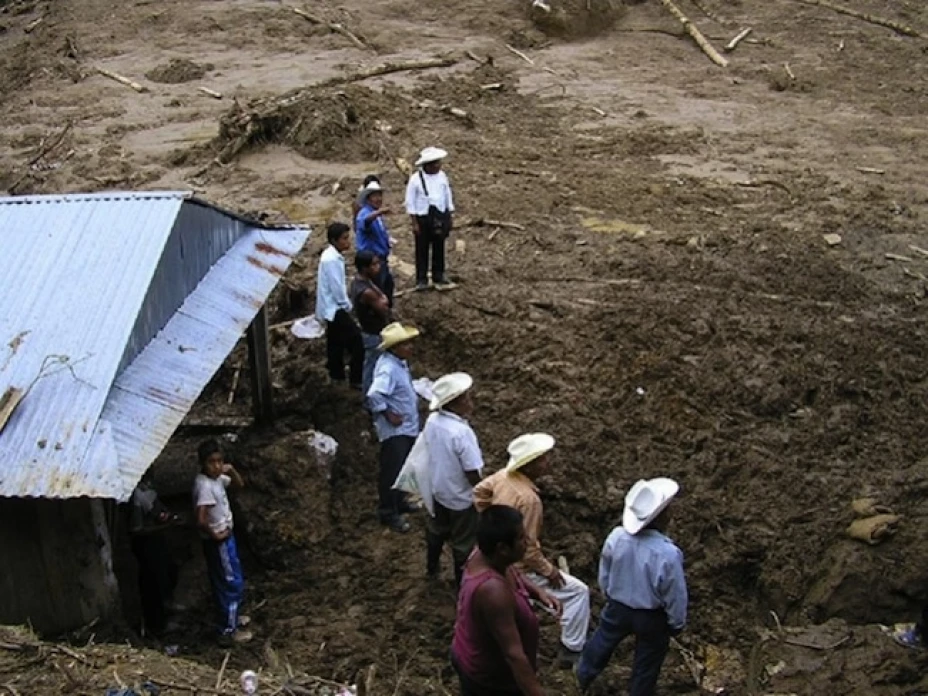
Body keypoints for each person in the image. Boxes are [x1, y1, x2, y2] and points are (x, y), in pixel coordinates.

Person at [474, 433, 591, 665]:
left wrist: (492, 521)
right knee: (578, 593)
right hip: (518, 568)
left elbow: (479, 493)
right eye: (543, 459)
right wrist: (550, 571)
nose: (548, 462)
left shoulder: (502, 477)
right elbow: (528, 549)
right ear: (529, 465)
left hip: (498, 555)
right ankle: (572, 648)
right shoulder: (529, 500)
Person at [576, 477, 687, 696]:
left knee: (601, 642)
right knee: (647, 662)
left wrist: (608, 592)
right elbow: (674, 593)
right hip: (652, 616)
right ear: (663, 516)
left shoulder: (617, 537)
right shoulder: (667, 553)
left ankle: (580, 678)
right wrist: (676, 621)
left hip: (618, 606)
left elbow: (605, 570)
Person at [451, 505, 561, 696]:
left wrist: (537, 592)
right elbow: (514, 655)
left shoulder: (487, 554)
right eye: (520, 538)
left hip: (471, 652)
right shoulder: (493, 592)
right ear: (502, 548)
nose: (526, 541)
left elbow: (511, 570)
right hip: (490, 682)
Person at [423, 372, 483, 585]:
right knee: (463, 543)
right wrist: (484, 492)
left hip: (438, 488)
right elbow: (471, 471)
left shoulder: (433, 421)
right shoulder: (461, 432)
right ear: (454, 404)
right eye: (466, 398)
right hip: (460, 496)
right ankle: (461, 585)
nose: (470, 402)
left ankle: (431, 568)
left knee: (436, 530)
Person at [193, 439, 253, 643]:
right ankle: (228, 630)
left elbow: (239, 485)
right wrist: (214, 534)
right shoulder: (205, 486)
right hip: (219, 541)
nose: (217, 466)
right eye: (212, 462)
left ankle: (232, 618)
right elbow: (201, 518)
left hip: (226, 537)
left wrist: (231, 470)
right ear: (203, 463)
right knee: (231, 582)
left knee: (226, 579)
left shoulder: (217, 479)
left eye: (220, 461)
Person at [366, 322, 421, 533]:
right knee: (392, 470)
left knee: (403, 467)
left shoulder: (398, 363)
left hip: (406, 427)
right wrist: (388, 413)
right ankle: (388, 511)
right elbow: (374, 394)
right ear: (395, 347)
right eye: (406, 344)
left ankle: (399, 501)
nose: (411, 347)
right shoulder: (388, 369)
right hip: (395, 431)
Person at [128, 472, 180, 637]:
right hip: (146, 544)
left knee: (170, 570)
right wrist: (163, 526)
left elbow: (159, 508)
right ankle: (157, 625)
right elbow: (136, 529)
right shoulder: (136, 496)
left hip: (157, 540)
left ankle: (167, 604)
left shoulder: (148, 489)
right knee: (152, 583)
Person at [316, 221, 363, 388]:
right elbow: (337, 287)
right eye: (344, 239)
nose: (347, 242)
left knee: (335, 341)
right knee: (357, 341)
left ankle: (336, 374)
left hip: (328, 308)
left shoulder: (331, 256)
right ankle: (356, 379)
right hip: (334, 307)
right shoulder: (332, 260)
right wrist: (347, 306)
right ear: (334, 241)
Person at [404, 146, 454, 290]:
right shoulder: (415, 180)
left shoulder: (442, 176)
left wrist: (449, 215)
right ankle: (422, 279)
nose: (438, 166)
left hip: (439, 215)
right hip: (423, 217)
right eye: (434, 163)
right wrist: (414, 223)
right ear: (427, 165)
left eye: (439, 163)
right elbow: (410, 201)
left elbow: (447, 195)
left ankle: (439, 274)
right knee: (422, 249)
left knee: (439, 246)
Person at [350, 250, 392, 396]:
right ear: (364, 268)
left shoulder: (360, 282)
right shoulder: (367, 291)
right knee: (373, 367)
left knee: (372, 365)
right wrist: (383, 298)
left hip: (369, 331)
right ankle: (370, 399)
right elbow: (384, 309)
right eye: (374, 264)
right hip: (374, 334)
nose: (378, 266)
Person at [354, 179, 396, 306]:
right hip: (372, 261)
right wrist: (379, 212)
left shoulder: (377, 216)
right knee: (377, 289)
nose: (378, 199)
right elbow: (365, 222)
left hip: (381, 258)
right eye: (375, 196)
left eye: (379, 196)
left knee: (387, 285)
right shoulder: (365, 213)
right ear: (368, 199)